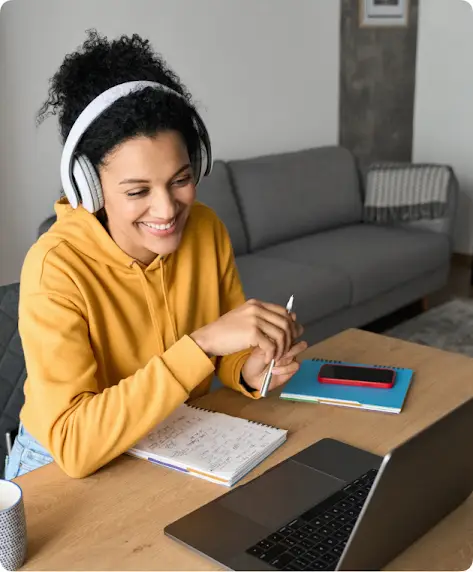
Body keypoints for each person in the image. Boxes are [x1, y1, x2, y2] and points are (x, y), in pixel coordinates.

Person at [4, 30, 306, 480]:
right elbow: (73, 441)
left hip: (171, 438)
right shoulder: (55, 269)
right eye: (138, 191)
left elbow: (225, 352)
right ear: (89, 189)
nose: (167, 209)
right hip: (58, 468)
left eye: (180, 179)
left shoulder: (205, 229)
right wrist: (201, 344)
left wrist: (250, 368)